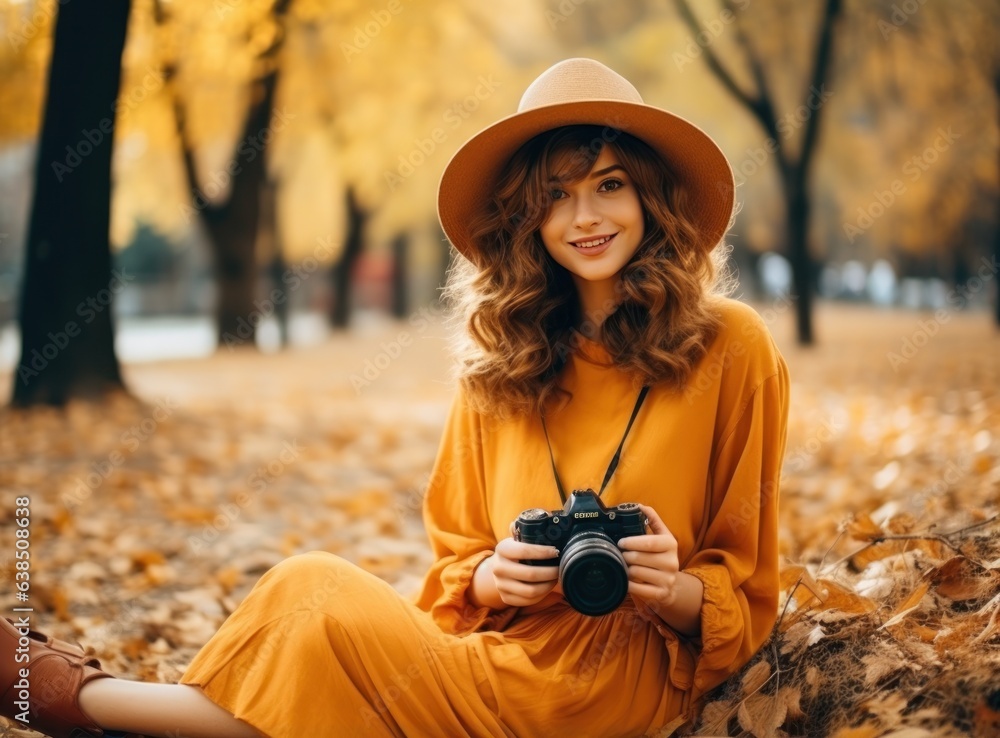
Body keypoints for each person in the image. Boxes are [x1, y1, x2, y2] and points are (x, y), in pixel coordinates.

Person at [2, 57, 788, 738]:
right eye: (555, 195)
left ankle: (87, 699)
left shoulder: (731, 347)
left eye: (609, 185)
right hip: (499, 656)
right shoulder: (502, 365)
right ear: (526, 218)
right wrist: (496, 578)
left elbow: (749, 593)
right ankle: (106, 706)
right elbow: (456, 567)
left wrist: (672, 587)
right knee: (308, 588)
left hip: (619, 685)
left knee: (315, 602)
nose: (585, 217)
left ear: (651, 196)